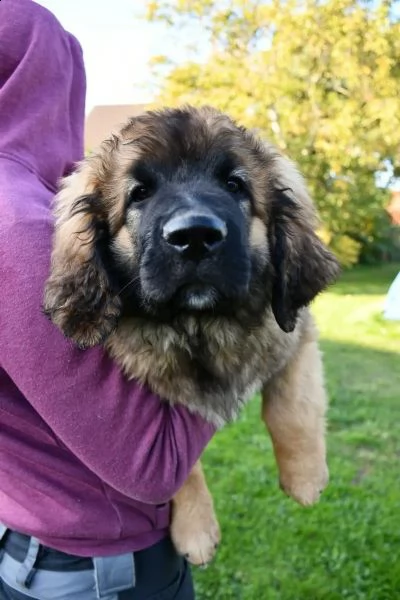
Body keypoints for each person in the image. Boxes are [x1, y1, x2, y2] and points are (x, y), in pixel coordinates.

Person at [0, 1, 217, 598]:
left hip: (38, 542)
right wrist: (256, 330)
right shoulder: (16, 226)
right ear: (49, 79)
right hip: (100, 570)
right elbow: (152, 463)